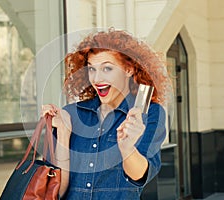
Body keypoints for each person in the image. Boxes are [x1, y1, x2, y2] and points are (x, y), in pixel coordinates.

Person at [41, 28, 172, 200]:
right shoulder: (71, 114)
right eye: (92, 69)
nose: (96, 79)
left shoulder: (149, 114)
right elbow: (57, 191)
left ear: (129, 69)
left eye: (107, 69)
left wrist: (126, 148)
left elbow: (139, 175)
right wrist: (64, 133)